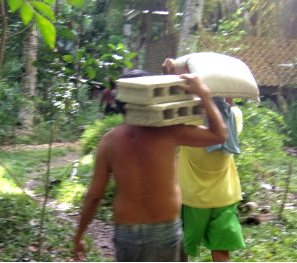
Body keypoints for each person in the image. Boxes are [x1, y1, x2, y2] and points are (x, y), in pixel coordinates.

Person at [72, 71, 229, 262]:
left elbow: (94, 196)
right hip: (164, 231)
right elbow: (219, 134)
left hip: (126, 233)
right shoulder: (168, 132)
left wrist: (79, 235)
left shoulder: (109, 141)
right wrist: (203, 94)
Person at [165, 59, 247, 262]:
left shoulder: (190, 122)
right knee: (221, 254)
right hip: (225, 197)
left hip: (193, 198)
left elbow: (176, 105)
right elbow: (229, 105)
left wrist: (171, 77)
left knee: (182, 251)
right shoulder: (235, 118)